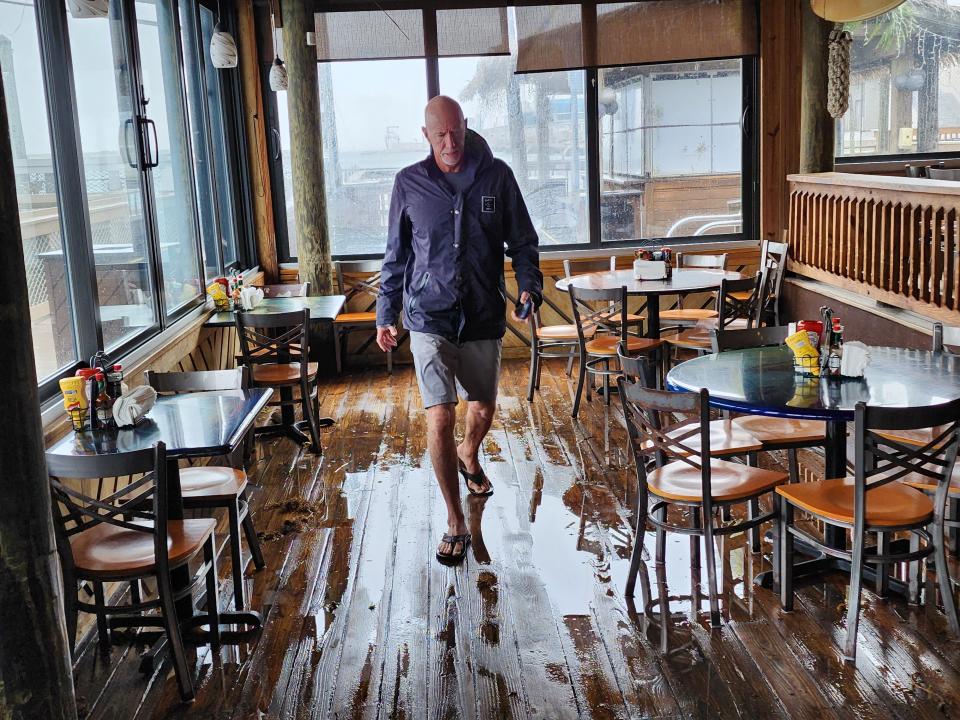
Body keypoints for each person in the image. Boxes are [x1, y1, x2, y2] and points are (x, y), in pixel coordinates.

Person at [375, 95, 542, 566]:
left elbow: (524, 243)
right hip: (428, 316)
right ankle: (455, 520)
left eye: (456, 131)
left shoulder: (498, 176)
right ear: (425, 135)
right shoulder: (409, 183)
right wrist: (385, 312)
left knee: (483, 409)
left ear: (465, 126)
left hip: (483, 313)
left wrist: (529, 285)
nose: (450, 142)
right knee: (439, 416)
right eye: (440, 134)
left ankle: (470, 453)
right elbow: (396, 256)